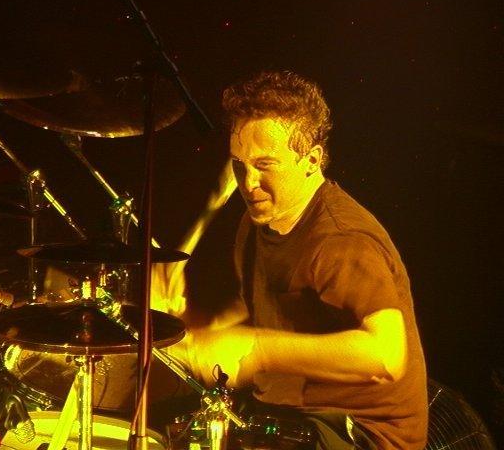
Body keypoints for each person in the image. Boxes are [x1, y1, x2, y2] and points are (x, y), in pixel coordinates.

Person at [157, 71, 428, 449]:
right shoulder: (258, 223)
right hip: (289, 414)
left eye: (265, 165)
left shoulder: (341, 240)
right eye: (239, 164)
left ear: (311, 159)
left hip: (359, 433)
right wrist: (189, 331)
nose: (248, 182)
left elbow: (386, 356)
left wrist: (259, 349)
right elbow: (270, 309)